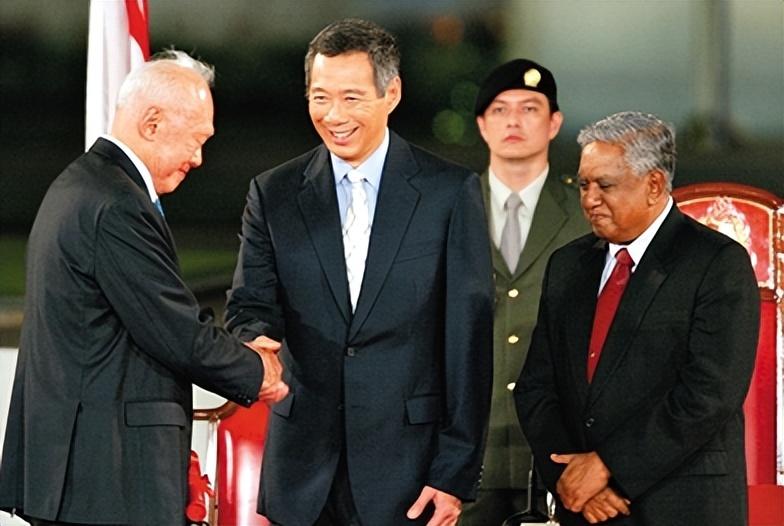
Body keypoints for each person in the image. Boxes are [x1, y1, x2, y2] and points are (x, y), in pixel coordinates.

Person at [0, 50, 288, 526]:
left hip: (83, 478)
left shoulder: (82, 186)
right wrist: (258, 370)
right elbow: (173, 328)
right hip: (103, 485)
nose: (198, 159)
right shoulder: (116, 204)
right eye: (196, 140)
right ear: (152, 123)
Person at [225, 18, 493, 526]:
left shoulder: (448, 192)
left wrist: (454, 472)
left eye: (351, 98)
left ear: (392, 94)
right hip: (302, 469)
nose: (334, 116)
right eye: (320, 98)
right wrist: (256, 339)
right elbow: (250, 303)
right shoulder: (274, 193)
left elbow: (468, 340)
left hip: (410, 472)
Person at [515, 111, 759, 525]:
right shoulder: (568, 265)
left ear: (654, 185)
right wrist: (571, 479)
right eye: (584, 185)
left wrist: (607, 467)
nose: (589, 199)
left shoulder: (716, 262)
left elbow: (708, 394)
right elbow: (537, 387)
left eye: (605, 185)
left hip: (681, 507)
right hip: (583, 510)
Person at [460, 59, 589, 525]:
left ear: (554, 123)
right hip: (468, 451)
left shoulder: (588, 211)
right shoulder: (446, 210)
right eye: (500, 109)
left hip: (562, 450)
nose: (513, 120)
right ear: (481, 125)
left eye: (529, 108)